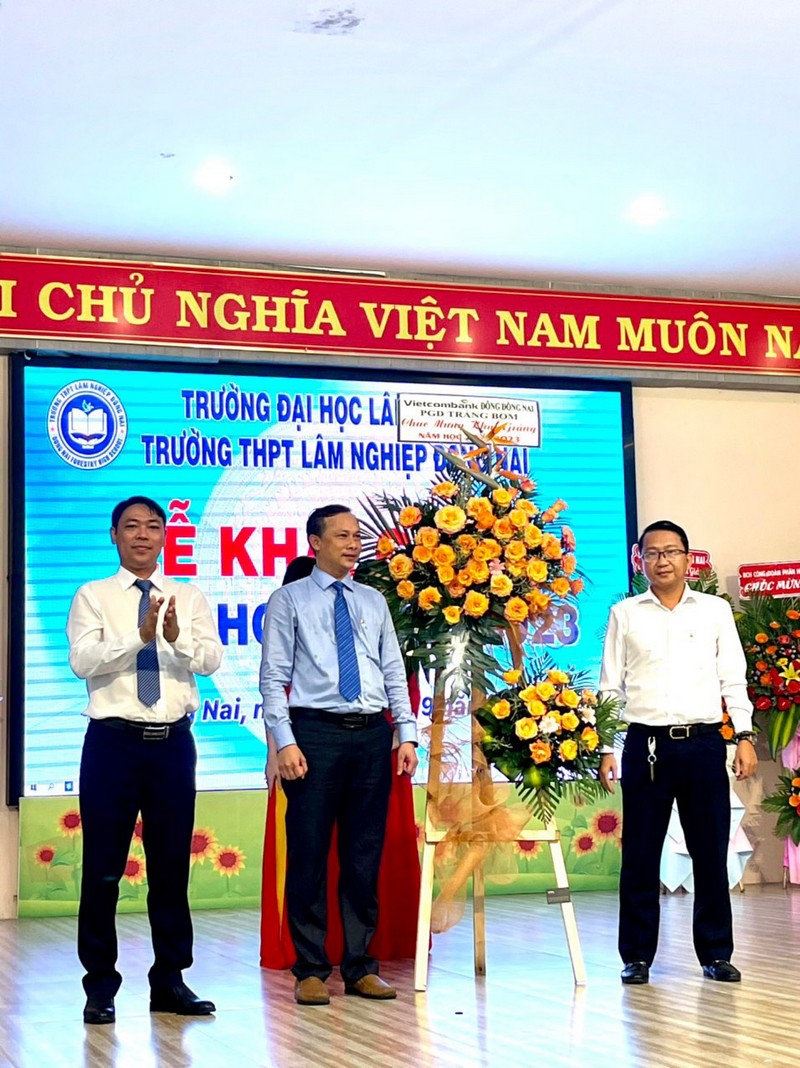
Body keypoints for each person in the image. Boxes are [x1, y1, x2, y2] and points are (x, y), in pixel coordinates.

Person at [67, 496, 223, 1025]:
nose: (142, 535)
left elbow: (211, 659)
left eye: (152, 527)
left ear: (164, 536)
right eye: (131, 526)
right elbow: (82, 661)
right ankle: (100, 986)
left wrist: (175, 640)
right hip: (113, 744)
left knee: (171, 868)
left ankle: (170, 981)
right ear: (114, 535)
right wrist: (139, 636)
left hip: (173, 745)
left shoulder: (188, 595)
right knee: (103, 871)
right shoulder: (93, 595)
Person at [260, 506, 418, 1005]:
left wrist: (406, 733)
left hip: (371, 735)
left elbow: (392, 669)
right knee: (308, 854)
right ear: (315, 542)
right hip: (314, 734)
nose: (353, 544)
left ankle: (360, 966)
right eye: (342, 536)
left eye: (357, 536)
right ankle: (310, 969)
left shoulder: (373, 600)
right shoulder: (289, 599)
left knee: (363, 855)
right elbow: (272, 676)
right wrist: (284, 740)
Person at [599, 519, 757, 986]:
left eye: (671, 552)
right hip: (644, 744)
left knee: (710, 852)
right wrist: (607, 747)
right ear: (639, 560)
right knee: (640, 855)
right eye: (652, 553)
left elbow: (733, 677)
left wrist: (744, 735)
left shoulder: (714, 611)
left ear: (688, 558)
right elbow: (610, 686)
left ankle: (716, 953)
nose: (662, 561)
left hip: (704, 744)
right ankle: (636, 956)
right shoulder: (625, 614)